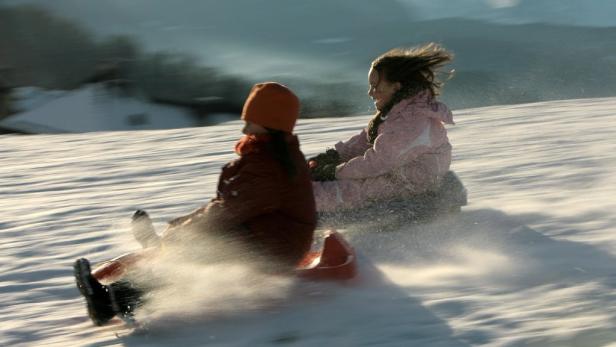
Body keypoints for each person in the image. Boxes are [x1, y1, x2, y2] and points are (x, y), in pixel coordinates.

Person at [74, 82, 317, 326]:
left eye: (251, 121)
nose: (244, 127)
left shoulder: (269, 166)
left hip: (277, 246)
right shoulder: (267, 156)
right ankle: (111, 300)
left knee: (199, 251)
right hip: (261, 232)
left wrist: (188, 232)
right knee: (191, 240)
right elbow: (226, 203)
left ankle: (115, 299)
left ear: (270, 124)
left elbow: (229, 210)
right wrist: (182, 225)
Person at [309, 43, 455, 213]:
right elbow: (366, 141)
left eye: (375, 85)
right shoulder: (397, 112)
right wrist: (332, 156)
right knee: (342, 180)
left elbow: (377, 163)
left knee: (352, 190)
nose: (371, 92)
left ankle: (303, 206)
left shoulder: (412, 121)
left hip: (413, 184)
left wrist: (333, 172)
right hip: (397, 173)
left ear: (397, 86)